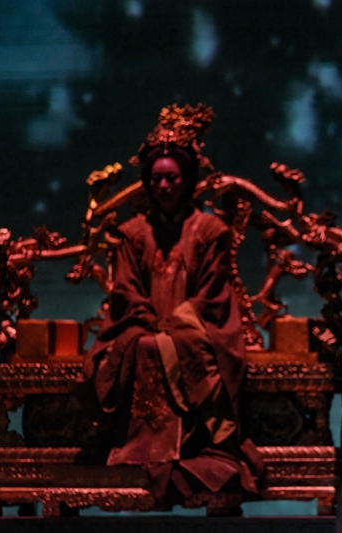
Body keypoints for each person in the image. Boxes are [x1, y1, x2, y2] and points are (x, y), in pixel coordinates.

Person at [81, 104, 261, 505]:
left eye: (172, 178)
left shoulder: (210, 230)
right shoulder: (132, 234)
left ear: (187, 179)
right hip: (141, 326)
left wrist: (175, 324)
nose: (163, 186)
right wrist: (149, 321)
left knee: (172, 345)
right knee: (143, 346)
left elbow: (212, 293)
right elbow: (126, 292)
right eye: (156, 178)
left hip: (199, 327)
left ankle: (194, 445)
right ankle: (140, 448)